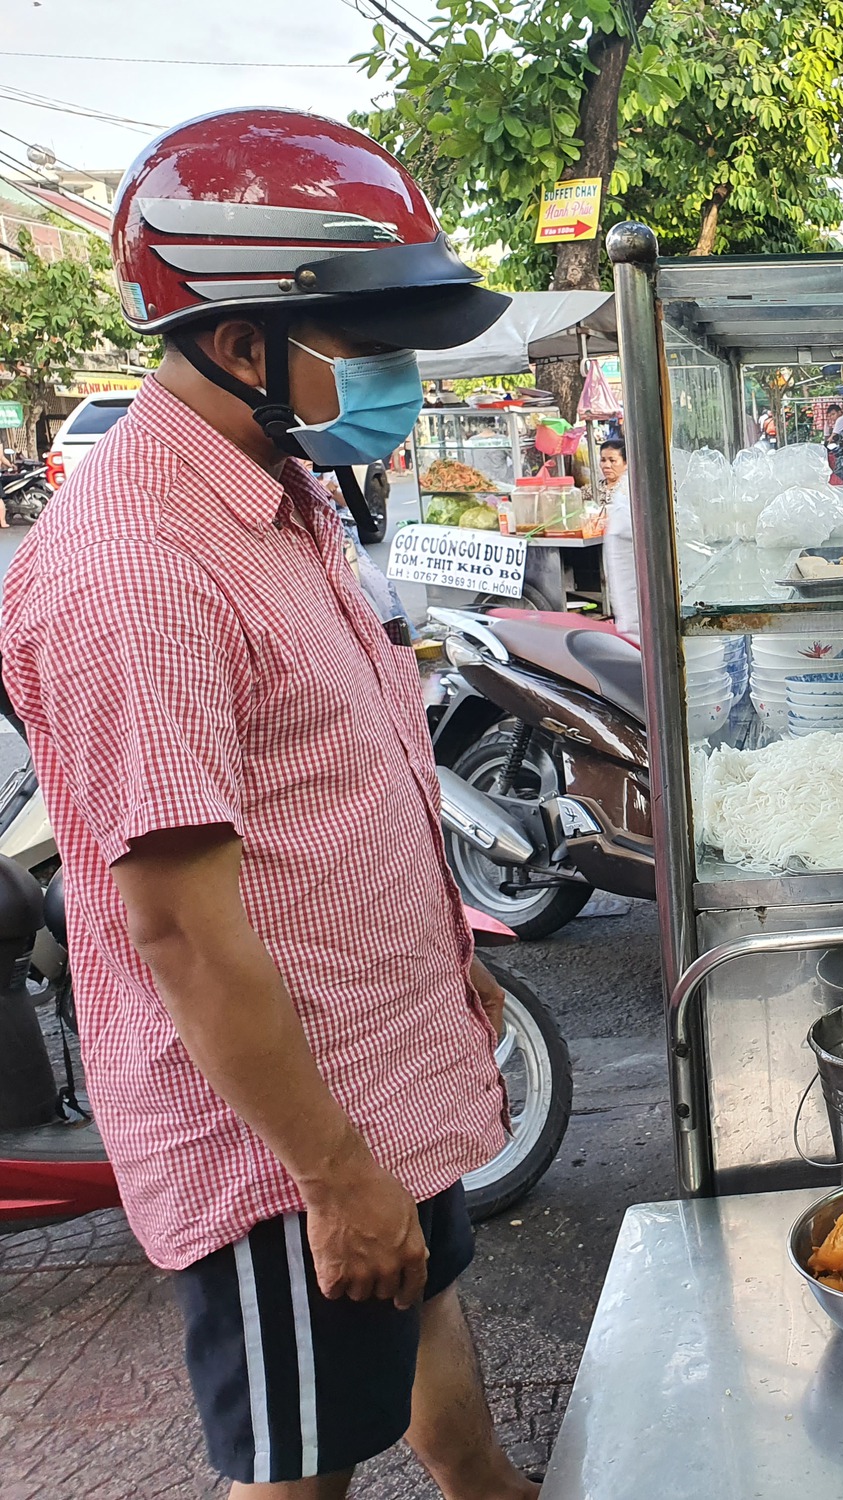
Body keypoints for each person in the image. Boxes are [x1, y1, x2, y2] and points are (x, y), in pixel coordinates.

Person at [0, 110, 538, 1498]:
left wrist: (448, 969)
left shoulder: (274, 489)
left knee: (424, 1324)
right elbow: (180, 930)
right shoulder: (136, 567)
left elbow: (338, 793)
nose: (399, 376)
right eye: (367, 340)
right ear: (244, 345)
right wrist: (335, 1174)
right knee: (299, 1462)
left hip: (375, 1069)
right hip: (283, 1137)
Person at [598, 438, 638, 635]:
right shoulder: (624, 491)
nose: (606, 466)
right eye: (603, 460)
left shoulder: (629, 488)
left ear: (626, 462)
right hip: (627, 584)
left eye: (612, 460)